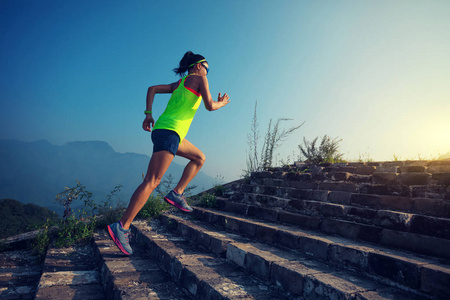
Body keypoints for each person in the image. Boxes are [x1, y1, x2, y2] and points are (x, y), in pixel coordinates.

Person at [107, 51, 230, 255]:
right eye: (207, 68)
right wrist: (223, 103)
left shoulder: (180, 84)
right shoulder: (200, 79)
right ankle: (122, 226)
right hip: (170, 133)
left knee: (199, 158)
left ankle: (177, 193)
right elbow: (210, 106)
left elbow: (152, 89)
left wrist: (148, 114)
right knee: (152, 181)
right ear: (198, 66)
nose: (208, 72)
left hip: (167, 131)